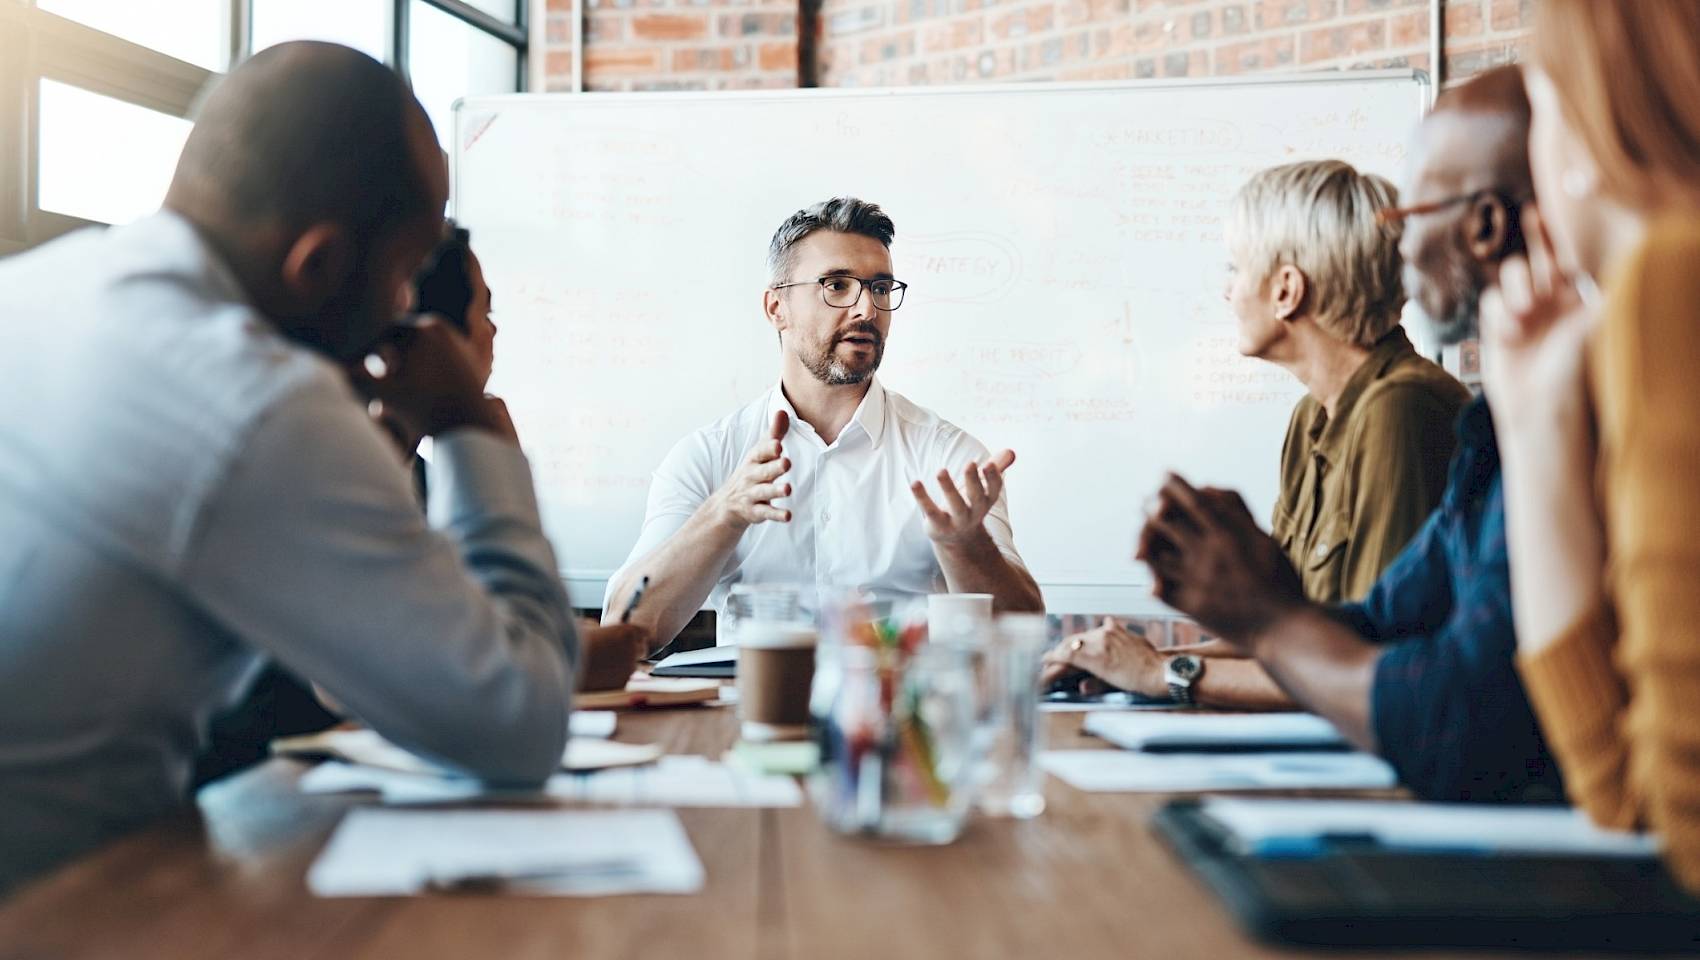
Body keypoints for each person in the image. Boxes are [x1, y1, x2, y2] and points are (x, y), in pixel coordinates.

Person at [0, 43, 585, 896]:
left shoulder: (36, 289)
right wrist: (468, 429)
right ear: (319, 265)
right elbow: (516, 726)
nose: (405, 309)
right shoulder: (255, 401)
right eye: (404, 274)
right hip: (61, 913)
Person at [1127, 66, 1564, 803]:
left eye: (1411, 213)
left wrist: (1175, 668)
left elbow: (1422, 691)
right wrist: (1197, 636)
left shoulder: (1413, 410)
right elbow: (1370, 620)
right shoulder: (1489, 427)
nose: (1399, 248)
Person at [1043, 160, 1468, 709]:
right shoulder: (1312, 417)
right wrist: (1125, 663)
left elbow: (1364, 661)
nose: (1227, 292)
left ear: (1287, 290)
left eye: (1235, 269)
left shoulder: (1400, 409)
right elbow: (1285, 632)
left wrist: (1162, 672)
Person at [603, 197, 1043, 645]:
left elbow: (1023, 628)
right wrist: (724, 513)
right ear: (776, 308)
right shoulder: (710, 456)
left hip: (896, 690)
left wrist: (965, 545)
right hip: (752, 690)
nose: (867, 310)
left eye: (880, 288)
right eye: (836, 285)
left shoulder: (948, 459)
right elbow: (626, 627)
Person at [1482, 0, 1700, 892]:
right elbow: (1627, 795)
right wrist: (1534, 419)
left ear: (1589, 119)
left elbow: (1670, 814)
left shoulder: (1674, 277)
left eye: (1540, 106)